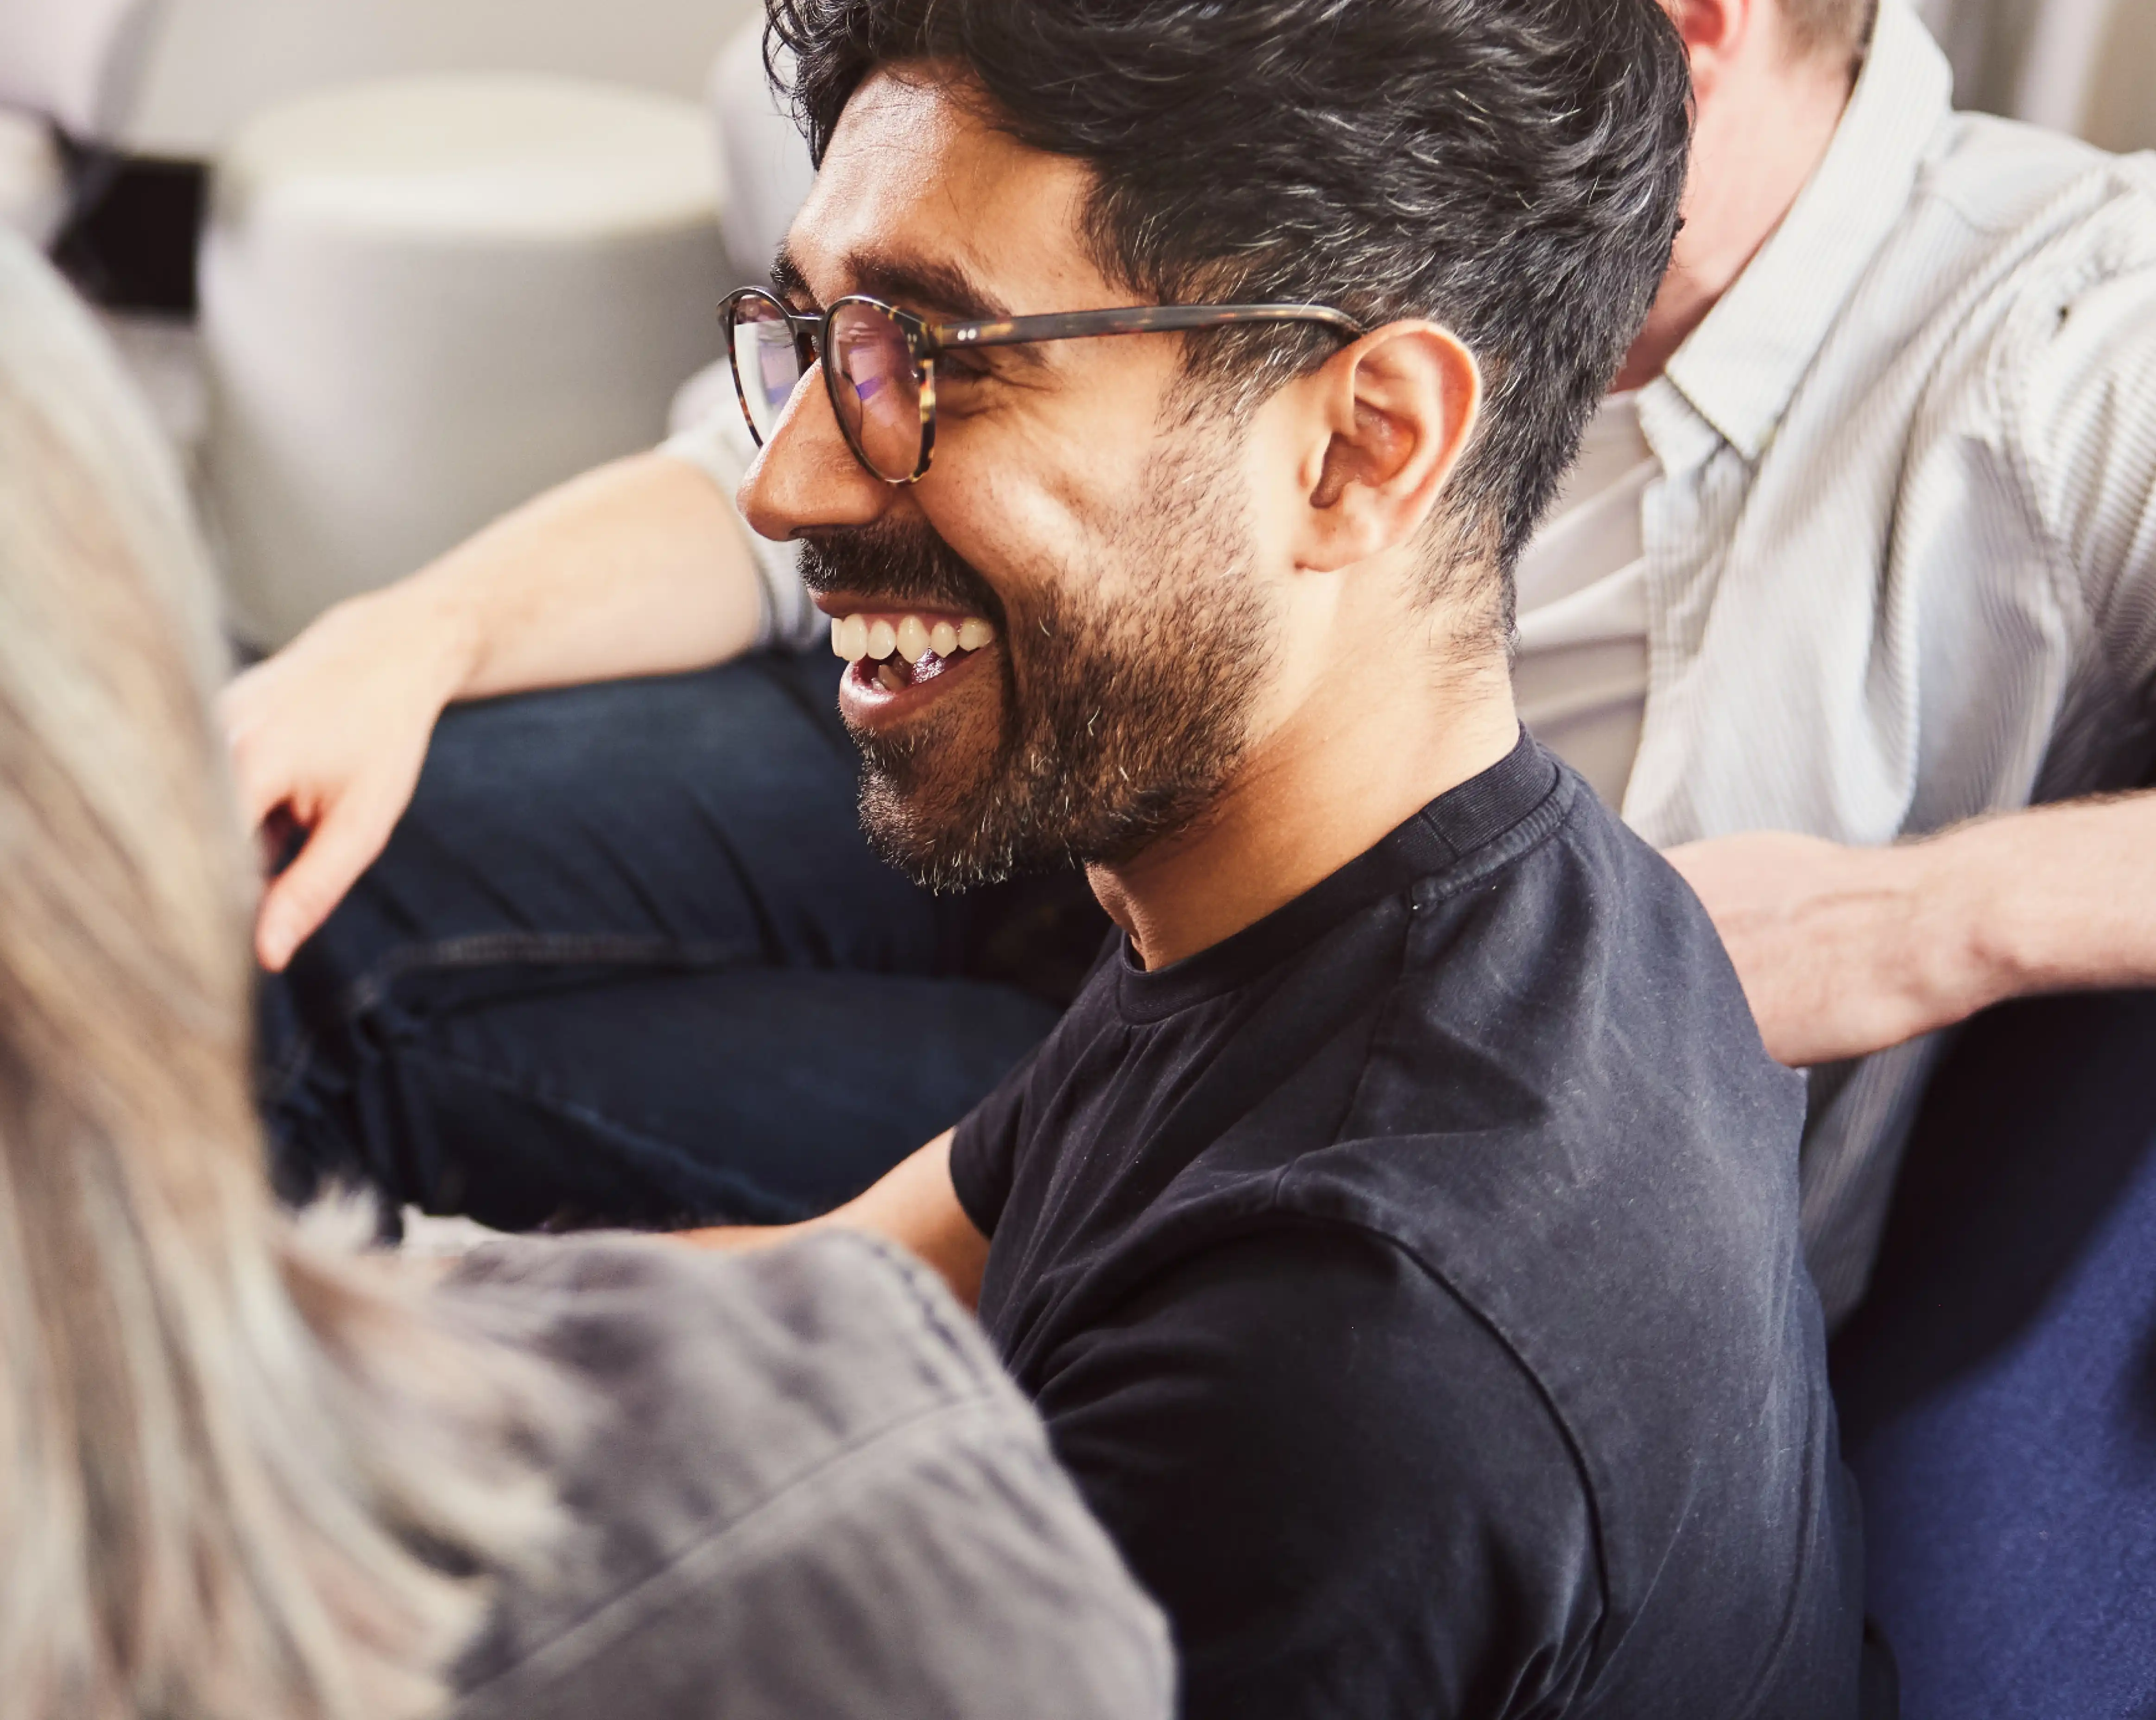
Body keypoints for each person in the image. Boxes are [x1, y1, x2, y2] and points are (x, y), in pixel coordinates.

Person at [232, 0, 2156, 1328]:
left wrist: (1927, 921)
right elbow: (823, 439)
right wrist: (412, 634)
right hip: (1053, 767)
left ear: (1670, 42)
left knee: (343, 1040)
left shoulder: (2068, 342)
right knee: (257, 876)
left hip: (1270, 1046)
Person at [672, 0, 1856, 1710]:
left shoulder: (1348, 1356)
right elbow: (843, 1292)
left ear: (1360, 445)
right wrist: (291, 1346)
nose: (783, 485)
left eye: (934, 352)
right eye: (816, 333)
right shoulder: (1435, 897)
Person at [0, 225, 1171, 1720]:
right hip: (974, 700)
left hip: (1203, 994)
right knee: (261, 883)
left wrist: (461, 1313)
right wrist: (403, 638)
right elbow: (752, 499)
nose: (785, 472)